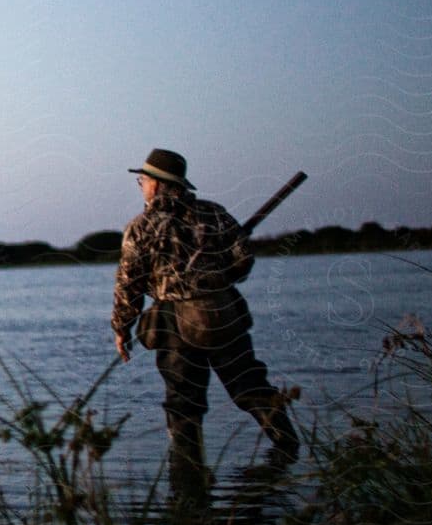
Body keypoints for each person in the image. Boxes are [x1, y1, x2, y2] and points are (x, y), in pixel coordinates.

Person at [111, 148, 297, 480]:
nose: (141, 186)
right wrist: (219, 279)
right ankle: (289, 448)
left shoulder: (140, 227)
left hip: (175, 325)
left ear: (156, 184)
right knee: (250, 386)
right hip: (225, 315)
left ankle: (189, 480)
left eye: (142, 180)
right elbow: (243, 261)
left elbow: (129, 284)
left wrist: (121, 328)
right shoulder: (216, 214)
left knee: (184, 405)